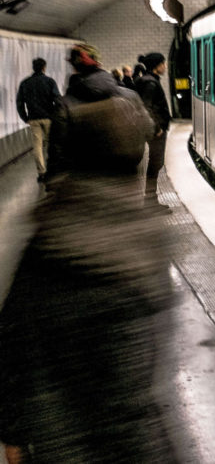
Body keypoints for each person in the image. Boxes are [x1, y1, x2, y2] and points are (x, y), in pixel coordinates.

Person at [0, 43, 175, 463]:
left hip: (64, 438)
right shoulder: (149, 235)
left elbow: (14, 342)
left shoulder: (55, 234)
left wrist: (14, 432)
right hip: (136, 442)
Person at [16, 58, 62, 183]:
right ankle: (54, 170)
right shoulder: (49, 81)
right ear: (44, 68)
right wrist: (58, 115)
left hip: (33, 119)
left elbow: (19, 102)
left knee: (37, 146)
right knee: (51, 145)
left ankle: (41, 173)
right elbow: (57, 99)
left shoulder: (25, 83)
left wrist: (25, 117)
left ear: (33, 67)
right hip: (48, 118)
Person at [136, 52, 171, 207]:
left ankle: (151, 199)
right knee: (156, 163)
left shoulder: (149, 80)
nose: (166, 66)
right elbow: (146, 107)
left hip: (155, 129)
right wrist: (157, 128)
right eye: (163, 63)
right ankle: (150, 200)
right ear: (157, 66)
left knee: (156, 163)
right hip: (156, 131)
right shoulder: (150, 83)